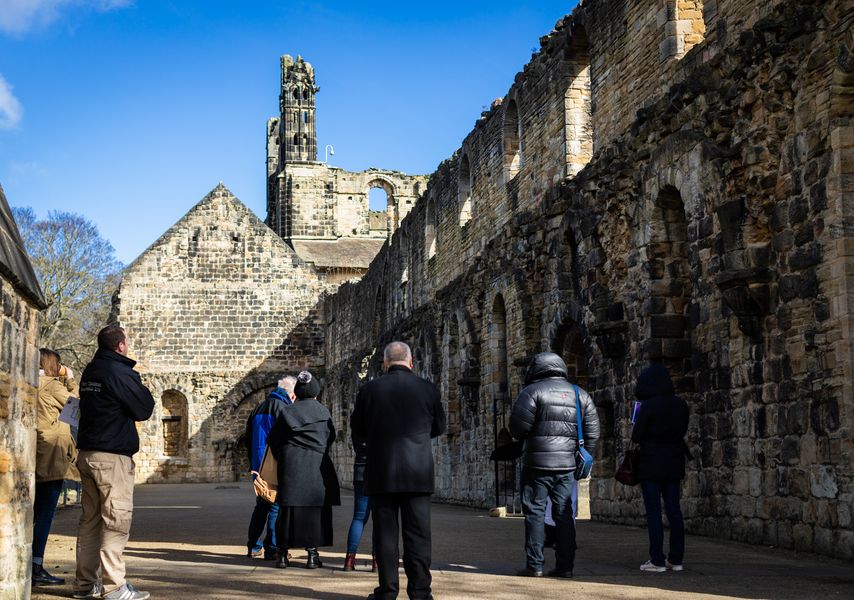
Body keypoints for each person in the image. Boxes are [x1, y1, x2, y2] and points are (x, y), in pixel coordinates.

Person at [351, 341, 446, 600]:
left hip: (382, 470)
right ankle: (420, 591)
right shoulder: (428, 389)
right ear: (411, 361)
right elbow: (439, 426)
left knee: (385, 535)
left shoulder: (370, 389)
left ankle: (388, 590)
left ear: (385, 363)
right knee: (418, 536)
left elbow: (358, 429)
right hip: (417, 471)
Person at [73, 326, 155, 600]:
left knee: (90, 521)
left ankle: (85, 585)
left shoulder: (90, 371)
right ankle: (114, 587)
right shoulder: (118, 372)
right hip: (111, 457)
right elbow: (144, 407)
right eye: (127, 342)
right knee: (116, 520)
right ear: (120, 346)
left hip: (87, 453)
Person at [509, 352, 599, 579]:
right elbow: (593, 432)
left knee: (535, 512)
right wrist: (580, 454)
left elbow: (517, 429)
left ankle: (535, 565)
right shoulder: (579, 394)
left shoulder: (532, 392)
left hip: (536, 464)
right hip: (566, 465)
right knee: (564, 513)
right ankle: (565, 566)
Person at [268, 371, 340, 569]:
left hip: (292, 468)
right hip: (317, 468)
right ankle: (312, 555)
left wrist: (286, 456)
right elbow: (330, 437)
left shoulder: (287, 412)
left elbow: (274, 440)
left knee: (287, 512)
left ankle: (282, 555)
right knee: (315, 512)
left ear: (297, 393)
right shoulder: (324, 412)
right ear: (316, 393)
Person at [631, 363, 689, 573]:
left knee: (654, 511)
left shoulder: (648, 405)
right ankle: (676, 558)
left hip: (651, 461)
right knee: (674, 510)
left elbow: (636, 436)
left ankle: (657, 558)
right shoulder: (680, 405)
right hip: (674, 460)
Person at [32, 349, 79, 586]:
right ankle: (36, 566)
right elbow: (79, 404)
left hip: (37, 451)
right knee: (45, 513)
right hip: (52, 455)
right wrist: (69, 377)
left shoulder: (31, 382)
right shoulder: (51, 385)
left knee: (35, 512)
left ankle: (32, 562)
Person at [245, 375, 296, 560]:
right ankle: (272, 548)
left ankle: (253, 545)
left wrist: (253, 463)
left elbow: (248, 438)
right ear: (291, 394)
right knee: (275, 507)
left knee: (261, 507)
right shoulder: (283, 409)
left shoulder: (258, 407)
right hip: (273, 465)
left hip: (258, 464)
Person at [343, 429, 375, 572]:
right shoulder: (385, 413)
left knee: (359, 517)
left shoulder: (359, 418)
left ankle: (349, 560)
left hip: (361, 470)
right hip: (381, 472)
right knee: (379, 519)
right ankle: (377, 561)